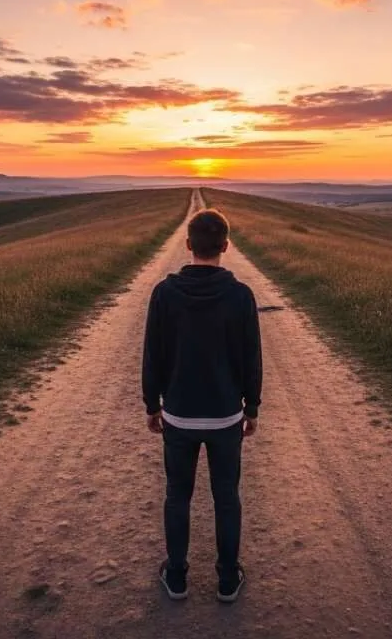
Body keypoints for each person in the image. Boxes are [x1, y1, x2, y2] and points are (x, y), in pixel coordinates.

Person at [142, 208, 262, 603]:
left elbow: (152, 355)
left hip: (178, 415)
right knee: (226, 496)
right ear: (225, 246)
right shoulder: (241, 296)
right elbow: (251, 358)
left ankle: (176, 577)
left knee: (178, 495)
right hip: (227, 416)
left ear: (189, 244)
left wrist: (151, 405)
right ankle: (228, 580)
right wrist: (253, 408)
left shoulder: (163, 293)